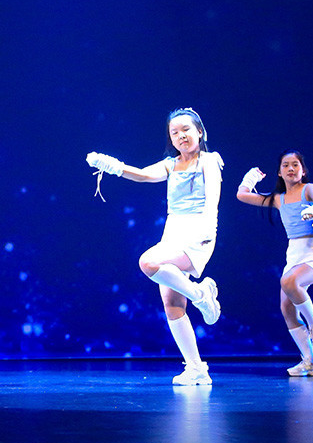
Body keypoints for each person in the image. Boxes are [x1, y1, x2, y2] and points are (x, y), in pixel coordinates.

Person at [86, 108, 224, 385]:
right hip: (173, 231)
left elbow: (213, 199)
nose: (181, 136)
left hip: (199, 230)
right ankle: (196, 368)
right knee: (172, 304)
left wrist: (208, 229)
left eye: (186, 129)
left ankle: (201, 295)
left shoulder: (209, 161)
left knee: (149, 263)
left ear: (200, 132)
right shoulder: (171, 165)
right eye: (175, 132)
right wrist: (111, 166)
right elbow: (142, 175)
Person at [236, 151, 313, 377]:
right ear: (279, 172)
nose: (291, 168)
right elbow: (242, 195)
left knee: (289, 281)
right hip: (295, 254)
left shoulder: (308, 189)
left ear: (303, 170)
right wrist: (250, 178)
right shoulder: (278, 199)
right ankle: (311, 362)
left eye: (295, 165)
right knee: (287, 308)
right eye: (286, 165)